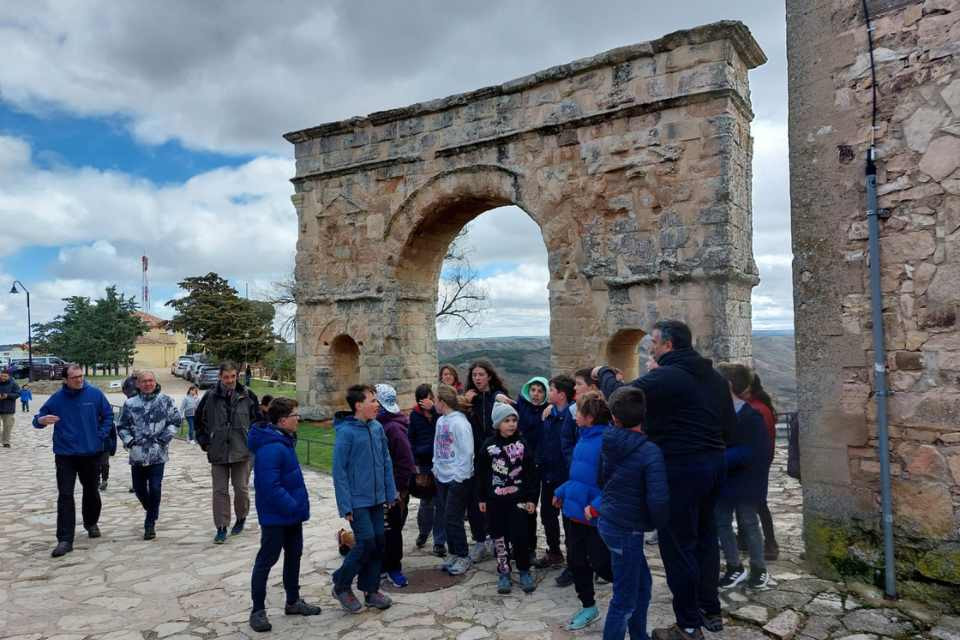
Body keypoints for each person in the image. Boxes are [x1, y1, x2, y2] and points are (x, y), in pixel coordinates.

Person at [595, 320, 734, 640]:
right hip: (714, 466)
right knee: (705, 538)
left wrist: (603, 373)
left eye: (653, 343)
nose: (651, 348)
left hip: (682, 470)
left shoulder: (668, 375)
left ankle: (687, 625)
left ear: (668, 345)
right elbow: (729, 427)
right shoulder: (714, 378)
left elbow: (620, 400)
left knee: (678, 547)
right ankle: (709, 609)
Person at [597, 386, 670, 640]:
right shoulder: (650, 452)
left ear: (614, 418)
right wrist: (661, 525)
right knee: (624, 599)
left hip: (609, 520)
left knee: (643, 586)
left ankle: (639, 636)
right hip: (627, 528)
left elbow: (600, 478)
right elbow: (658, 500)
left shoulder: (608, 439)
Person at [247, 398, 322, 633]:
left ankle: (293, 601)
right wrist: (293, 506)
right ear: (282, 420)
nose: (298, 419)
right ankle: (257, 610)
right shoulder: (271, 447)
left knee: (294, 556)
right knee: (266, 561)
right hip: (276, 517)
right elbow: (269, 486)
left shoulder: (284, 441)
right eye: (295, 415)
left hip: (291, 515)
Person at [33, 365, 114, 557]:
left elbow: (108, 415)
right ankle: (65, 539)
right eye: (74, 377)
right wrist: (42, 420)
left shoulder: (95, 394)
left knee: (92, 491)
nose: (79, 380)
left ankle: (91, 522)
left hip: (91, 453)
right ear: (65, 380)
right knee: (65, 495)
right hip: (65, 455)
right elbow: (38, 419)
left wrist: (100, 435)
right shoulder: (57, 399)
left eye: (81, 376)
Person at [331, 384, 396, 613]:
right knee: (366, 541)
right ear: (359, 405)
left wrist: (390, 492)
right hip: (357, 501)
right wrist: (345, 505)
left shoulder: (377, 428)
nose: (377, 405)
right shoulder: (346, 432)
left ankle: (371, 590)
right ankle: (341, 584)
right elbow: (339, 471)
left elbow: (386, 461)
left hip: (378, 498)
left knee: (379, 542)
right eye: (373, 401)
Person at [553, 392, 613, 630]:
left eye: (578, 412)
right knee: (577, 562)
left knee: (602, 565)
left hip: (595, 518)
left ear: (589, 417)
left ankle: (633, 587)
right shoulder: (583, 438)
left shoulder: (608, 441)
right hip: (575, 514)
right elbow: (578, 478)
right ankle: (588, 606)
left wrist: (596, 507)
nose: (574, 416)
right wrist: (561, 492)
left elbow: (614, 483)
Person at [715, 364, 771, 591]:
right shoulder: (718, 413)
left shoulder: (751, 416)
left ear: (727, 386)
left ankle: (759, 568)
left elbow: (754, 451)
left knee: (749, 523)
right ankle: (734, 566)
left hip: (745, 482)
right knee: (721, 523)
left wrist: (718, 457)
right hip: (724, 481)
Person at [476, 402, 538, 594]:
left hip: (518, 500)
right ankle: (504, 571)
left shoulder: (522, 444)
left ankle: (524, 570)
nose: (511, 424)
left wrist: (531, 499)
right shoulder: (488, 446)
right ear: (497, 424)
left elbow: (530, 473)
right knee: (499, 538)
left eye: (514, 420)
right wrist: (481, 498)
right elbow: (481, 473)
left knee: (521, 536)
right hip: (495, 501)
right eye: (506, 420)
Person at [195, 361, 260, 544]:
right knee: (219, 491)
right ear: (220, 377)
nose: (230, 380)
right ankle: (221, 526)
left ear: (237, 376)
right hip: (218, 451)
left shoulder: (248, 395)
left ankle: (241, 517)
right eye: (226, 377)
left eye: (233, 376)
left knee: (241, 489)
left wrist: (252, 443)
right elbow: (199, 421)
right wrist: (205, 442)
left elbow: (258, 422)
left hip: (242, 450)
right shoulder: (210, 397)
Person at [117, 370, 180, 540]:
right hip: (137, 454)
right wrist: (129, 441)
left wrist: (163, 439)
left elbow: (175, 421)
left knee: (155, 487)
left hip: (157, 453)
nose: (148, 384)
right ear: (138, 384)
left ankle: (150, 523)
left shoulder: (165, 401)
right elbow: (121, 426)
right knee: (139, 490)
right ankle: (152, 509)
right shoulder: (130, 404)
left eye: (151, 380)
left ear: (155, 382)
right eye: (144, 381)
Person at [497, 376, 548, 566]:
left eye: (540, 390)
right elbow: (502, 411)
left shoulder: (547, 410)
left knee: (530, 509)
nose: (536, 394)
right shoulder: (520, 407)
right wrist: (500, 398)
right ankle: (511, 546)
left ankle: (530, 548)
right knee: (511, 508)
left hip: (534, 466)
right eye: (533, 390)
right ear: (528, 390)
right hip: (514, 465)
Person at [463, 360, 508, 562]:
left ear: (489, 376)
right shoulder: (468, 398)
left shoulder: (498, 396)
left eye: (481, 374)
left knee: (496, 498)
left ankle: (497, 538)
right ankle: (480, 539)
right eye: (474, 375)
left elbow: (509, 420)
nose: (477, 378)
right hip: (474, 456)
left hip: (495, 454)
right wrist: (464, 402)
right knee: (475, 500)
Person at [535, 375, 577, 589]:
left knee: (570, 522)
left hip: (566, 476)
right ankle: (554, 553)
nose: (547, 393)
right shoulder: (549, 414)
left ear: (561, 394)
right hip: (549, 474)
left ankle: (574, 564)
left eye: (550, 389)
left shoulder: (573, 415)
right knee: (548, 516)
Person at [375, 384, 416, 588]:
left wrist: (399, 489)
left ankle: (393, 567)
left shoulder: (392, 428)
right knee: (382, 528)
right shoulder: (379, 425)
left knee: (392, 528)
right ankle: (381, 564)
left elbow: (406, 461)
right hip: (380, 487)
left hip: (393, 489)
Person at [432, 383, 474, 576]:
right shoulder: (441, 421)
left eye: (435, 400)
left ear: (442, 402)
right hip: (442, 475)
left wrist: (459, 477)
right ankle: (454, 553)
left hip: (458, 478)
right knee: (446, 518)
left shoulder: (460, 422)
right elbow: (437, 445)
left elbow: (467, 452)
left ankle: (463, 555)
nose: (433, 403)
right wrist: (435, 466)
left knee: (453, 518)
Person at [743, 373, 779, 561]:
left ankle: (771, 542)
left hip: (756, 464)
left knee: (759, 503)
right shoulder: (760, 407)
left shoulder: (757, 409)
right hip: (758, 462)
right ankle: (744, 539)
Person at [408, 383, 446, 556]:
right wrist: (416, 458)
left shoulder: (439, 413)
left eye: (432, 398)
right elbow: (411, 439)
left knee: (441, 503)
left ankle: (439, 542)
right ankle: (424, 533)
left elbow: (444, 428)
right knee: (426, 503)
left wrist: (435, 412)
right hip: (424, 464)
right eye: (428, 398)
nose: (431, 401)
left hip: (441, 463)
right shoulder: (415, 416)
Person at [0, 369, 21, 448]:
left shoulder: (13, 384)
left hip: (8, 408)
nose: (3, 377)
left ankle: (6, 442)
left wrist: (7, 396)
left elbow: (18, 394)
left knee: (8, 426)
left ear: (9, 376)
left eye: (5, 376)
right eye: (1, 375)